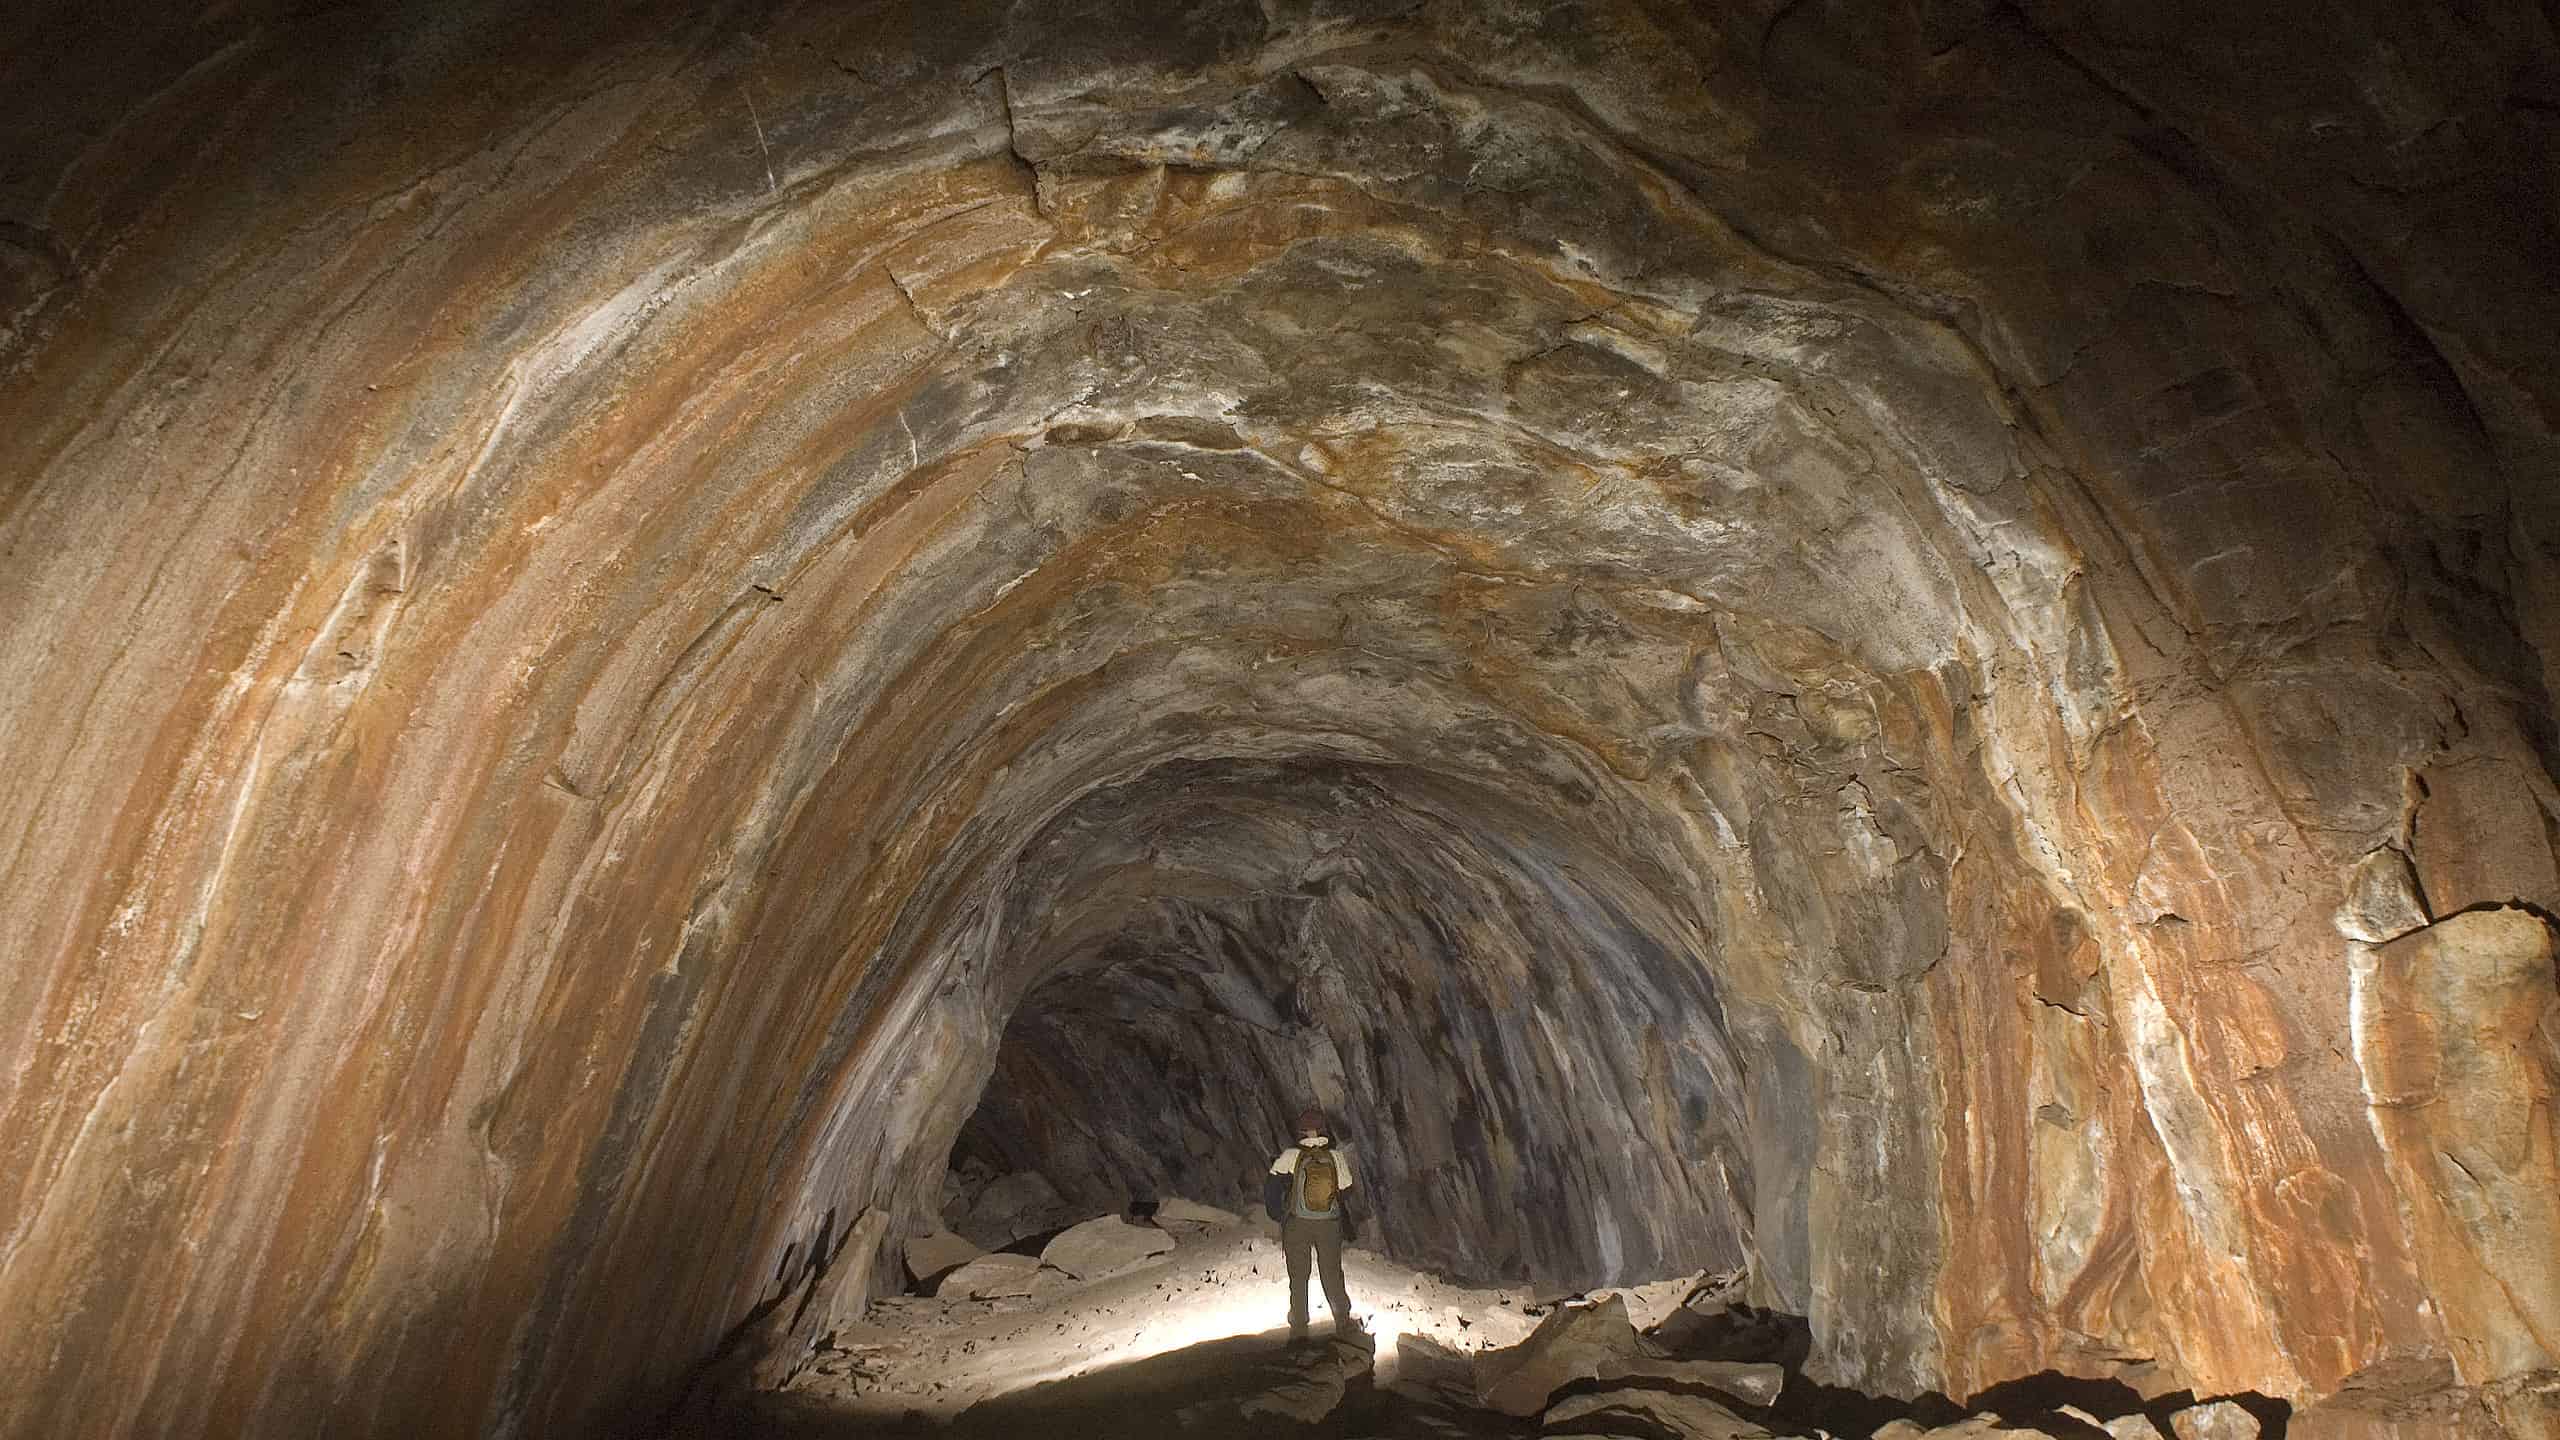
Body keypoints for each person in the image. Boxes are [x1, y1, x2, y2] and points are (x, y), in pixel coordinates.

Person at [1263, 1105, 1365, 1346]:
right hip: (1328, 1225)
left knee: (1298, 1275)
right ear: (1323, 1129)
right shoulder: (1335, 1156)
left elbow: (1271, 1184)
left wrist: (1278, 1214)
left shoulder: (1291, 1155)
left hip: (1297, 1224)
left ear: (1301, 1130)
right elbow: (1347, 1189)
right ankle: (1342, 1319)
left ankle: (1299, 1325)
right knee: (1331, 1272)